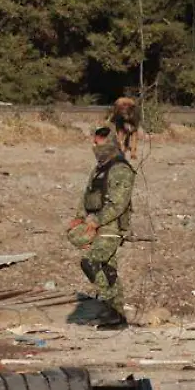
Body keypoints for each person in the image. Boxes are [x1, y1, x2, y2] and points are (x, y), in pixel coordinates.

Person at [67, 126, 136, 329]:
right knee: (108, 269)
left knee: (91, 263)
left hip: (111, 226)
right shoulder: (100, 168)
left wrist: (96, 221)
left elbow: (119, 204)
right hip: (96, 223)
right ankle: (116, 317)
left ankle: (109, 306)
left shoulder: (121, 169)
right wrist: (79, 218)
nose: (94, 147)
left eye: (98, 143)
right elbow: (87, 195)